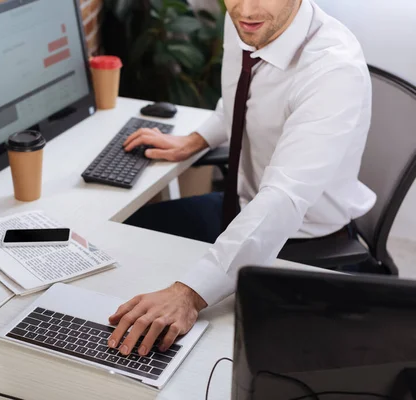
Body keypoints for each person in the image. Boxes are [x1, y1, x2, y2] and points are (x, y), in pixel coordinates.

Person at [107, 0, 376, 358]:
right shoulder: (251, 24)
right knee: (120, 240)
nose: (245, 9)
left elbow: (283, 199)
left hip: (299, 241)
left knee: (213, 359)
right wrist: (195, 139)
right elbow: (241, 96)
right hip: (239, 208)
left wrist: (188, 293)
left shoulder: (332, 70)